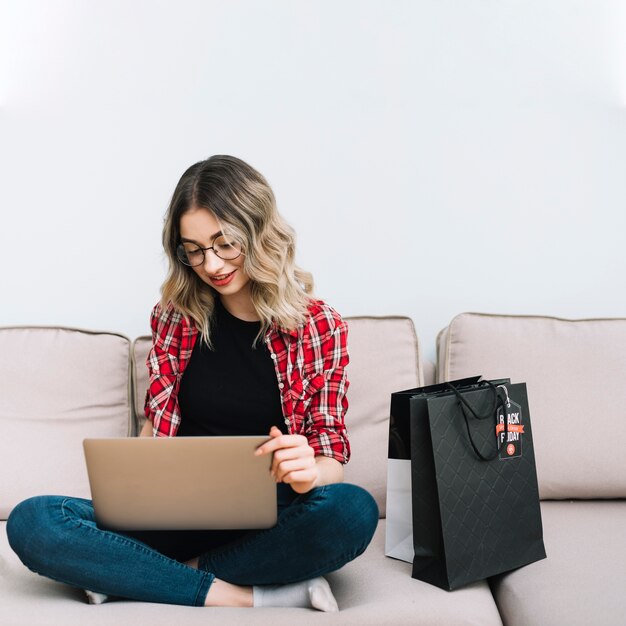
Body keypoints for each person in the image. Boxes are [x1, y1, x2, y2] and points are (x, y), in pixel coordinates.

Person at [6, 155, 379, 611]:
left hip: (269, 517)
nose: (212, 264)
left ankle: (141, 574)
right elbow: (155, 429)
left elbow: (331, 454)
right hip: (171, 514)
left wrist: (308, 471)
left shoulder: (319, 326)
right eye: (195, 249)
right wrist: (132, 480)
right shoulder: (175, 318)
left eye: (225, 244)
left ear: (258, 232)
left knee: (352, 511)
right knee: (33, 521)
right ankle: (242, 595)